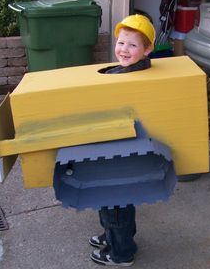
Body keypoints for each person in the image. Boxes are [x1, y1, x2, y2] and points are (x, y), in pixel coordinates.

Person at [89, 14, 156, 266]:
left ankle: (121, 252)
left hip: (120, 154)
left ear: (147, 49)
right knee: (110, 202)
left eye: (132, 45)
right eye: (121, 42)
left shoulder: (132, 78)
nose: (124, 49)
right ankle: (113, 235)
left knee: (115, 202)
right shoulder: (125, 69)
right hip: (112, 148)